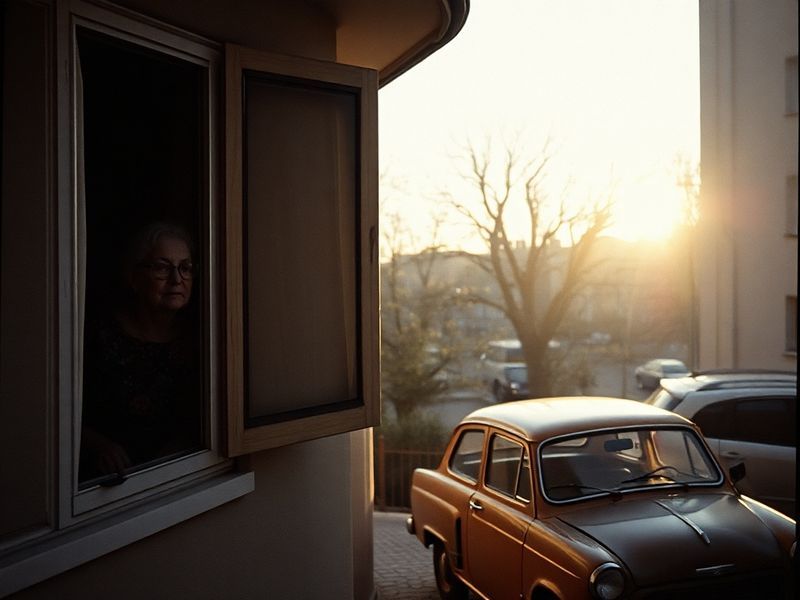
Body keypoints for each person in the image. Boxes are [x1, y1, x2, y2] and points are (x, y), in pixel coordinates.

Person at [79, 222, 201, 484]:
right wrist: (98, 445)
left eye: (185, 267)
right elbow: (59, 411)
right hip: (106, 483)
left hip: (177, 476)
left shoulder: (202, 337)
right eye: (161, 267)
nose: (177, 279)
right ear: (134, 277)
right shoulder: (99, 336)